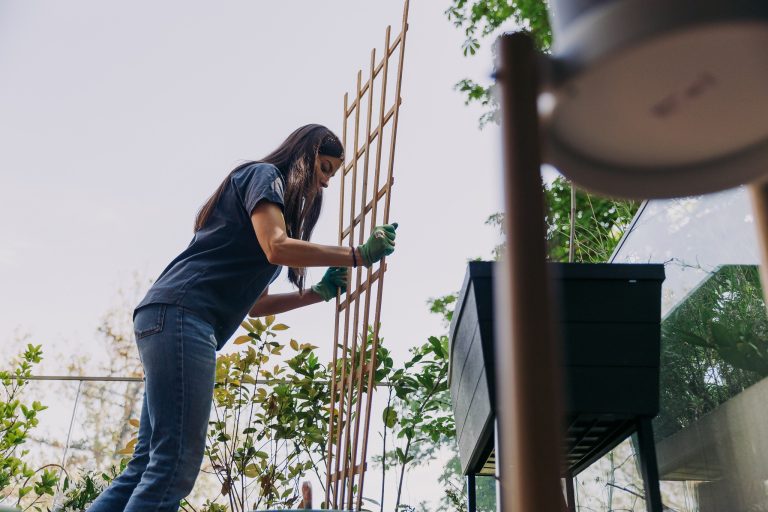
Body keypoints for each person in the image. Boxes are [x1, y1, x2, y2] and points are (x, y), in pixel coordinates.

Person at [87, 124, 398, 512]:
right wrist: (356, 255)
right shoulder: (264, 177)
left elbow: (256, 305)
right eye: (324, 168)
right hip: (184, 316)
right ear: (305, 157)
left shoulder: (273, 212)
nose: (326, 182)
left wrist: (316, 294)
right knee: (173, 466)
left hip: (168, 317)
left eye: (332, 173)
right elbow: (277, 247)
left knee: (146, 464)